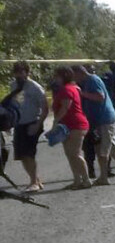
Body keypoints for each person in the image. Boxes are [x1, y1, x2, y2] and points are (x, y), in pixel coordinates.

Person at [73, 65, 115, 185]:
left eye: (75, 76)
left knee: (102, 150)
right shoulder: (86, 82)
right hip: (98, 120)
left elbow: (100, 97)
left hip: (105, 119)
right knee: (112, 148)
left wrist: (83, 94)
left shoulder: (93, 80)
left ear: (80, 73)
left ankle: (103, 177)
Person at [50, 66, 92, 190]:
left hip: (76, 125)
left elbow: (65, 107)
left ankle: (86, 179)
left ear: (63, 76)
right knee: (70, 154)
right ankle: (77, 180)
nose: (55, 78)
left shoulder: (67, 89)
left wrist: (55, 121)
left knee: (75, 153)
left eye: (57, 76)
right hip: (68, 125)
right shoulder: (69, 88)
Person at [9, 62, 48, 192]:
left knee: (28, 154)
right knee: (21, 155)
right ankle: (36, 179)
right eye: (16, 72)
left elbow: (45, 108)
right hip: (19, 123)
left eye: (21, 72)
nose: (18, 75)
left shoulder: (35, 87)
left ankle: (33, 183)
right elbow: (15, 105)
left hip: (33, 123)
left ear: (27, 72)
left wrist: (38, 124)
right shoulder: (14, 85)